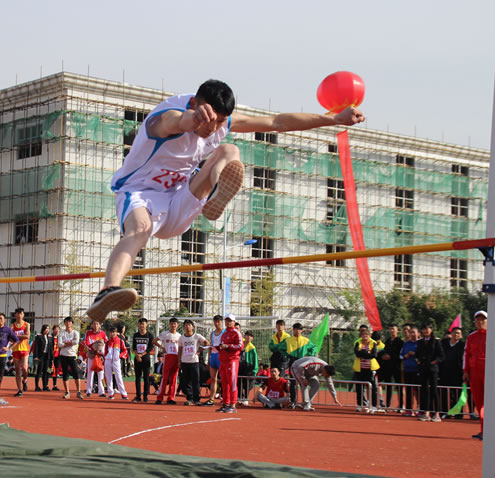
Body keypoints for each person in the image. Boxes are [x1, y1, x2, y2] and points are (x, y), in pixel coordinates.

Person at [84, 80, 364, 322]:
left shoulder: (222, 123)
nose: (211, 128)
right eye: (207, 121)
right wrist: (191, 120)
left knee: (229, 149)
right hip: (140, 192)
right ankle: (108, 291)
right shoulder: (165, 118)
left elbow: (277, 122)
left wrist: (334, 120)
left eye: (218, 122)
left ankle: (218, 190)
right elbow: (174, 121)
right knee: (140, 230)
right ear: (194, 104)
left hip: (182, 196)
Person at [279, 322, 317, 403]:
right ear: (293, 330)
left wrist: (309, 355)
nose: (297, 331)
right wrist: (287, 355)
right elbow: (281, 348)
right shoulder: (288, 340)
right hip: (292, 362)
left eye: (299, 329)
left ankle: (306, 401)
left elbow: (314, 347)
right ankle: (293, 401)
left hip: (303, 362)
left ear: (302, 330)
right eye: (296, 329)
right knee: (293, 382)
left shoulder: (306, 340)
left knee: (304, 381)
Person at [464, 311, 487, 440]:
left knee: (490, 403)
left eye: (483, 319)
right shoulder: (471, 337)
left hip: (490, 373)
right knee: (479, 403)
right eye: (478, 320)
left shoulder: (493, 334)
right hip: (475, 373)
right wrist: (465, 371)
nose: (480, 322)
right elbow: (466, 355)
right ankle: (484, 430)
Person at [415, 322, 444, 422]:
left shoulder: (436, 341)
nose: (426, 330)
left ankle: (437, 413)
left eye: (428, 328)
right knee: (424, 391)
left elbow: (441, 355)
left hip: (433, 369)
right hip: (423, 368)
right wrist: (418, 360)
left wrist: (434, 362)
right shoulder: (420, 342)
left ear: (431, 330)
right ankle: (426, 412)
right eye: (424, 329)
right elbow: (417, 354)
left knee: (434, 390)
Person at [178, 319, 208, 406]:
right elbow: (180, 350)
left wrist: (200, 350)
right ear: (183, 327)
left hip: (194, 361)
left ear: (193, 327)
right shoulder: (181, 338)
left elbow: (206, 342)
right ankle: (189, 398)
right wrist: (179, 361)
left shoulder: (197, 336)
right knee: (185, 381)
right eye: (185, 325)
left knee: (196, 380)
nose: (187, 327)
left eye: (189, 325)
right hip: (184, 361)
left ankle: (196, 399)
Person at [216, 313, 242, 413]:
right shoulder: (224, 333)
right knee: (224, 383)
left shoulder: (236, 333)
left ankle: (233, 404)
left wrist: (227, 346)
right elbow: (223, 346)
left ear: (234, 322)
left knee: (232, 383)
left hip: (232, 360)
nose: (228, 322)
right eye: (227, 320)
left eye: (230, 321)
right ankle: (225, 403)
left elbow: (240, 346)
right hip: (223, 360)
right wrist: (217, 347)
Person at [153, 317, 181, 405]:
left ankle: (171, 398)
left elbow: (181, 347)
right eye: (172, 323)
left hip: (176, 358)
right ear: (169, 324)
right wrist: (161, 347)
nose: (173, 325)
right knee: (164, 378)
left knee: (173, 379)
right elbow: (154, 341)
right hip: (168, 357)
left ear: (177, 325)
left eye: (175, 324)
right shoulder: (165, 334)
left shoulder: (179, 336)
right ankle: (160, 398)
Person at [440, 326, 465, 417]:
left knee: (457, 393)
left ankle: (458, 413)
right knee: (444, 393)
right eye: (454, 332)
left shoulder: (463, 345)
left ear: (461, 335)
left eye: (458, 333)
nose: (456, 334)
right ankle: (444, 412)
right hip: (444, 372)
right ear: (451, 334)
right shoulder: (444, 343)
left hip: (457, 373)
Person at [353, 328, 379, 412]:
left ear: (369, 336)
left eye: (367, 335)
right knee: (359, 387)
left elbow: (373, 355)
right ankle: (360, 405)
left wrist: (363, 354)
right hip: (360, 368)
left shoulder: (373, 343)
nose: (365, 336)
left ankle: (373, 405)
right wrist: (366, 353)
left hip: (370, 368)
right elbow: (357, 353)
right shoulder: (358, 342)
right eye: (363, 335)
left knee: (372, 387)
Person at [378, 324, 404, 410]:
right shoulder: (388, 341)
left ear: (397, 331)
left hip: (396, 367)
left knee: (398, 386)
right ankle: (388, 405)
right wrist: (383, 356)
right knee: (388, 385)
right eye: (390, 329)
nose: (391, 331)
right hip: (387, 367)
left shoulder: (400, 342)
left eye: (393, 329)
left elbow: (401, 354)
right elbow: (384, 351)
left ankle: (401, 405)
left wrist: (391, 356)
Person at [57, 317, 83, 399]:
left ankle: (78, 392)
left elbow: (76, 342)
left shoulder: (75, 332)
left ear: (72, 323)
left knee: (76, 373)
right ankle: (67, 392)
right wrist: (70, 343)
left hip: (72, 355)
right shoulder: (61, 333)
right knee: (65, 374)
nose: (68, 323)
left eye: (69, 322)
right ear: (64, 323)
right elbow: (59, 344)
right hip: (63, 355)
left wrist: (66, 343)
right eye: (66, 322)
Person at [202, 314, 224, 407]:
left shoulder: (225, 332)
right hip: (213, 357)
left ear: (221, 322)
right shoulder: (212, 333)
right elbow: (211, 346)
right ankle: (211, 399)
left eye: (218, 321)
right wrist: (209, 358)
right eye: (215, 322)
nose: (216, 323)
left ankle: (225, 398)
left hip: (221, 357)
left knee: (224, 379)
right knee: (213, 379)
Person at [0, 313, 18, 393]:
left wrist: (9, 348)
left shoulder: (8, 330)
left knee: (0, 374)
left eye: (1, 318)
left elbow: (16, 340)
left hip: (2, 354)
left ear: (5, 320)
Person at [83, 320, 108, 397]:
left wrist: (101, 350)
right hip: (92, 354)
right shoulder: (88, 333)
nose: (96, 325)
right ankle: (89, 391)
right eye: (94, 324)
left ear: (100, 325)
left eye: (97, 324)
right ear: (91, 325)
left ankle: (101, 391)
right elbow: (86, 343)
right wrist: (93, 348)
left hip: (100, 356)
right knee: (90, 373)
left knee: (101, 373)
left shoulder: (103, 333)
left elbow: (106, 342)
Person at [132, 317, 154, 403]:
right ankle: (138, 396)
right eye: (140, 324)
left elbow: (150, 347)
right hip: (137, 358)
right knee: (137, 378)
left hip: (146, 359)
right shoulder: (135, 335)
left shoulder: (150, 335)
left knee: (146, 378)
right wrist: (137, 355)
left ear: (146, 325)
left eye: (143, 324)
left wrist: (142, 354)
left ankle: (145, 396)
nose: (142, 326)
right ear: (138, 325)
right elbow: (133, 346)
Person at [399, 327, 420, 416]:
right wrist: (406, 356)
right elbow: (400, 355)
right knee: (408, 390)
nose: (412, 334)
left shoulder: (421, 343)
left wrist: (415, 354)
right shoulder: (406, 344)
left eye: (414, 332)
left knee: (418, 390)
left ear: (418, 333)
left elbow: (424, 354)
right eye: (410, 332)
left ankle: (420, 408)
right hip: (407, 369)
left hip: (417, 370)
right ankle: (409, 409)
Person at [10, 307, 30, 397]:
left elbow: (27, 336)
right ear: (15, 315)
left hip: (24, 348)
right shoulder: (12, 325)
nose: (19, 315)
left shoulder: (26, 324)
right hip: (15, 349)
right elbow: (10, 337)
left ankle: (25, 379)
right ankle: (19, 390)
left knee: (25, 368)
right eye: (17, 314)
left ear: (23, 315)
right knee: (17, 370)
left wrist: (17, 336)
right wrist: (19, 336)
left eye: (21, 314)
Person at [104, 327, 128, 400]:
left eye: (114, 332)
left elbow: (125, 351)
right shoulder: (108, 342)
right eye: (111, 332)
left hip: (116, 361)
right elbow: (105, 352)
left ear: (116, 332)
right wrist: (105, 359)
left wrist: (119, 356)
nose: (112, 334)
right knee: (108, 377)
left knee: (118, 377)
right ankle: (111, 394)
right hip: (108, 361)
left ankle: (123, 394)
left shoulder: (120, 341)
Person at [238, 330, 258, 405]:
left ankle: (245, 398)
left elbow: (255, 359)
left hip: (248, 366)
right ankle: (240, 397)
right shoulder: (241, 344)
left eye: (251, 336)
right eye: (247, 335)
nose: (248, 337)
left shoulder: (252, 348)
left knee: (246, 383)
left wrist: (255, 369)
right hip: (240, 365)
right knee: (239, 382)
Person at [32, 324, 54, 391]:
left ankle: (45, 386)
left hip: (47, 356)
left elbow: (51, 348)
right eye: (46, 328)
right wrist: (35, 356)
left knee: (46, 371)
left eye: (48, 329)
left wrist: (52, 358)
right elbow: (36, 347)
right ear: (43, 329)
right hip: (40, 356)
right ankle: (37, 386)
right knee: (39, 371)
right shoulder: (39, 336)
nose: (47, 330)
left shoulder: (50, 337)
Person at [51, 324, 61, 390]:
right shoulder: (50, 338)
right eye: (55, 329)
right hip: (51, 356)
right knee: (49, 370)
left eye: (58, 330)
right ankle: (45, 385)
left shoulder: (60, 338)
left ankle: (54, 385)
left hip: (58, 356)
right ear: (53, 330)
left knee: (56, 371)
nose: (57, 331)